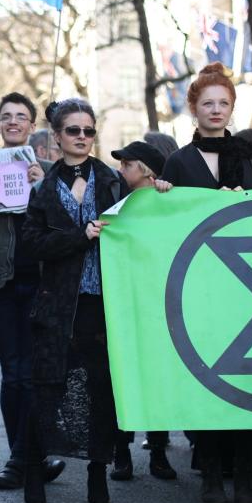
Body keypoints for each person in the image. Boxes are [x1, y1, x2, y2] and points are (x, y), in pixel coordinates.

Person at [154, 63, 252, 503]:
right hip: (199, 289)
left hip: (249, 287)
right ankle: (212, 474)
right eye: (208, 104)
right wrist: (161, 197)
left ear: (232, 107)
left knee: (248, 381)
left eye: (223, 103)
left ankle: (244, 474)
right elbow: (167, 228)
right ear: (194, 109)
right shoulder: (178, 162)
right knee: (207, 381)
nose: (216, 110)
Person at [21, 97, 128, 503]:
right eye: (73, 130)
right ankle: (34, 468)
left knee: (102, 389)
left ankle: (97, 472)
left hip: (104, 304)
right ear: (58, 136)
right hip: (57, 306)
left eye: (89, 131)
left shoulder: (113, 180)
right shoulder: (44, 187)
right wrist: (78, 236)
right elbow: (32, 244)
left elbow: (139, 220)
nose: (82, 137)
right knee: (47, 388)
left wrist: (159, 187)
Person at [0, 94, 63, 491]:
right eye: (6, 116)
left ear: (31, 125)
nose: (13, 122)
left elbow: (66, 224)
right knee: (14, 374)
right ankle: (23, 457)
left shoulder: (51, 171)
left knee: (36, 374)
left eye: (21, 117)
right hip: (2, 283)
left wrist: (44, 189)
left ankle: (24, 459)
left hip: (41, 281)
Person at [107, 141, 177, 482]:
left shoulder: (171, 202)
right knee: (124, 375)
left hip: (161, 303)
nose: (121, 169)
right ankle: (122, 454)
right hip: (126, 300)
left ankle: (159, 452)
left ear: (146, 169)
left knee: (156, 377)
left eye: (127, 163)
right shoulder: (118, 204)